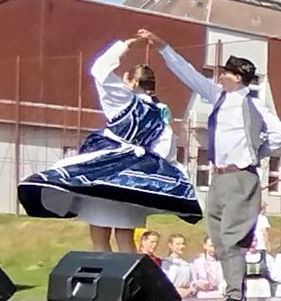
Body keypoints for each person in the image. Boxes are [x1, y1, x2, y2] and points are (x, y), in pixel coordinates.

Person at [144, 29, 281, 301]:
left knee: (233, 237)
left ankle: (236, 298)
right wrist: (163, 47)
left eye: (225, 73)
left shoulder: (254, 104)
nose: (220, 76)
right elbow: (188, 75)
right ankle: (231, 294)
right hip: (219, 176)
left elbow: (280, 134)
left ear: (237, 77)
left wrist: (255, 154)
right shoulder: (219, 97)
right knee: (219, 238)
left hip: (240, 175)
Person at [18, 36, 201, 252]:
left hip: (105, 175)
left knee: (100, 238)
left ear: (132, 81)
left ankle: (103, 273)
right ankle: (131, 274)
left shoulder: (124, 100)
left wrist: (125, 45)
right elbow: (165, 152)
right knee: (125, 239)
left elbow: (100, 69)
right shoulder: (160, 115)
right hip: (133, 182)